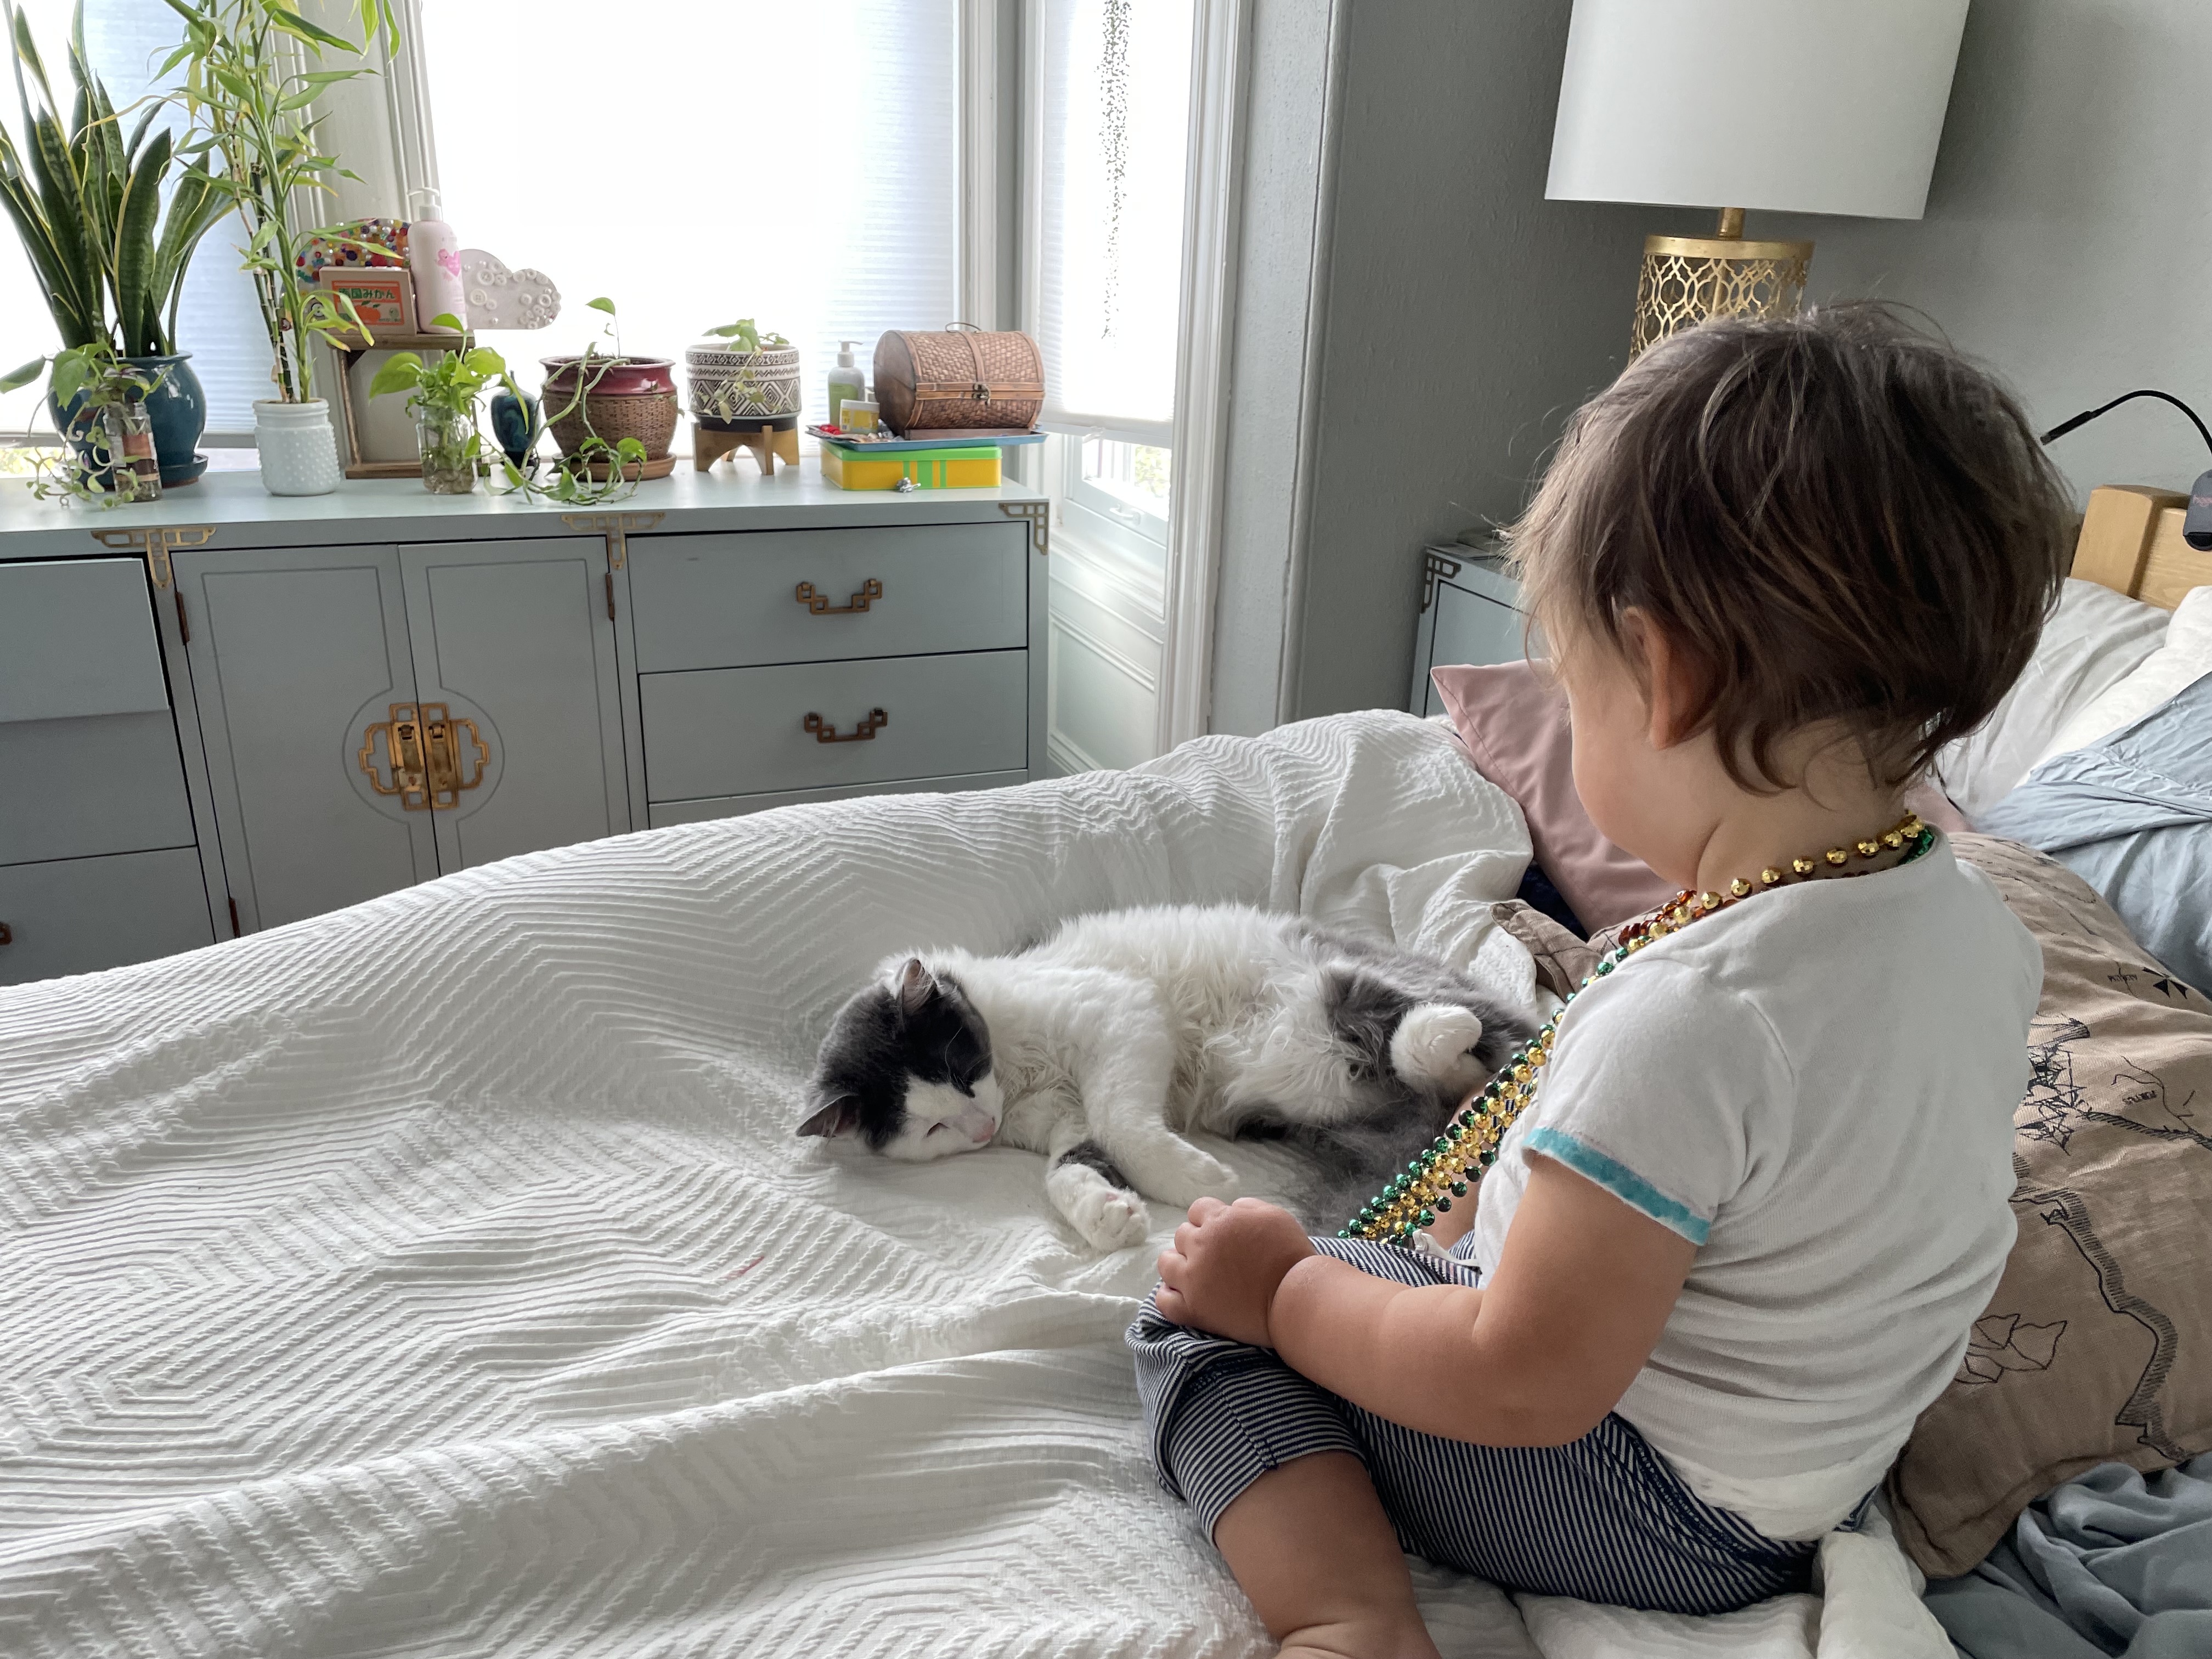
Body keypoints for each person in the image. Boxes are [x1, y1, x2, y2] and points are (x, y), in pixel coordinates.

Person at [1127, 304, 2072, 1659]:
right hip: (1821, 1463)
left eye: (1568, 686)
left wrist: (1278, 1296)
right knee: (1371, 1265)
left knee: (1197, 1335)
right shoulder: (1974, 923)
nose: (1561, 723)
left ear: (1667, 679)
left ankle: (1349, 1620)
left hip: (1646, 1505)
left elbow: (1523, 1385)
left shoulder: (1697, 1015)